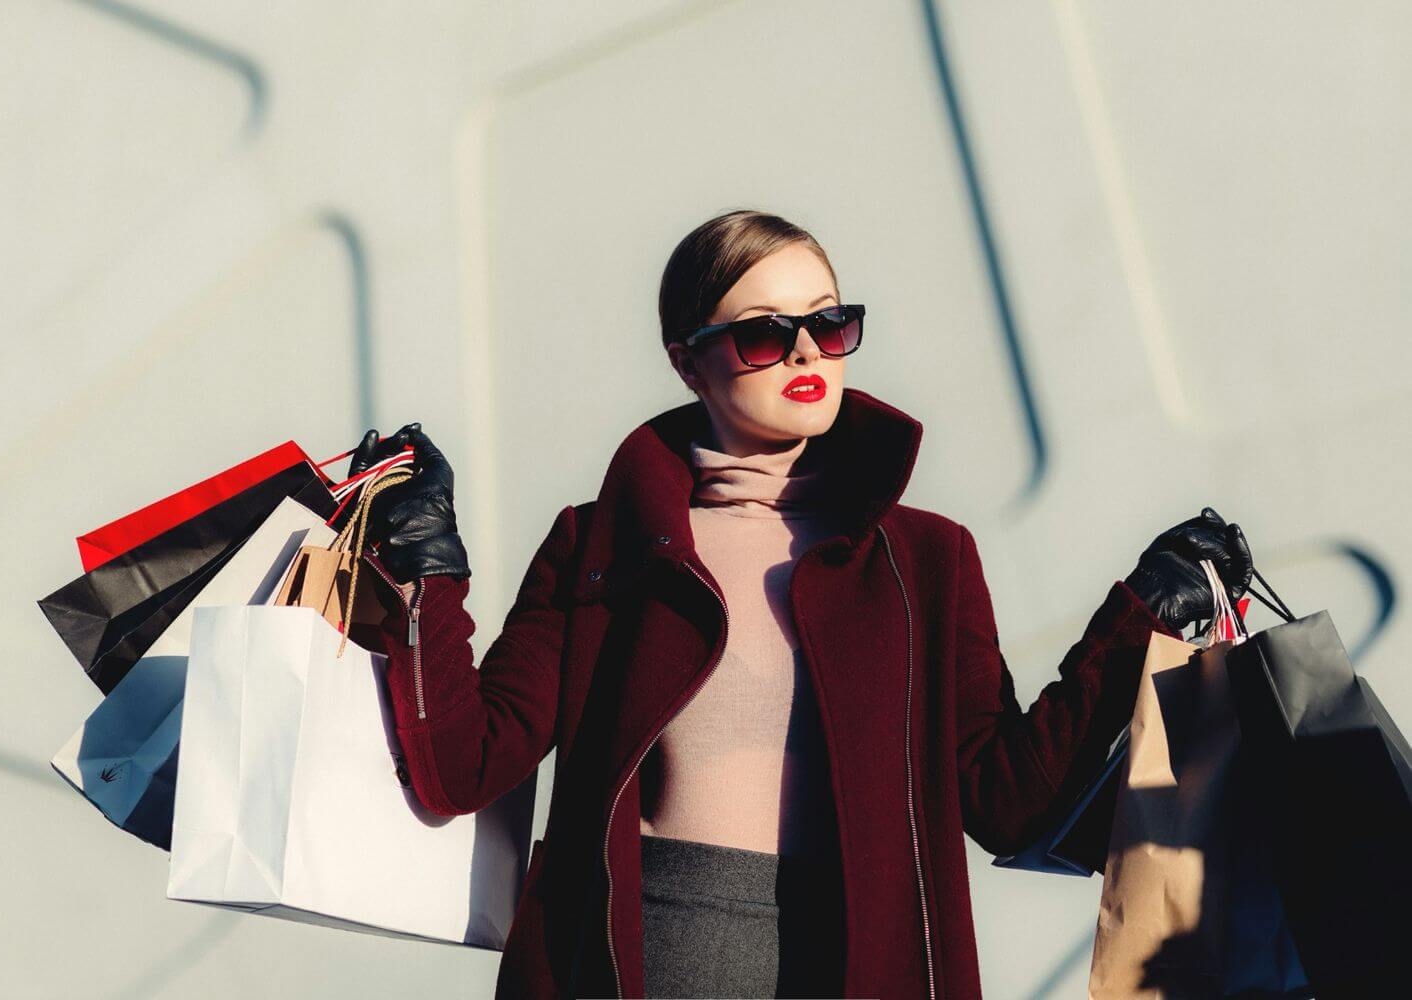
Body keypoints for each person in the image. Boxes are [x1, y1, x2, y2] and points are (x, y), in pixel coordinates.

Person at [347, 210, 1254, 999]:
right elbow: (463, 765)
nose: (810, 353)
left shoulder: (926, 558)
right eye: (763, 334)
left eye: (830, 322)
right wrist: (429, 566)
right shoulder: (603, 545)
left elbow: (1005, 800)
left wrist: (1140, 615)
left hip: (867, 964)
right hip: (650, 961)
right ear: (687, 361)